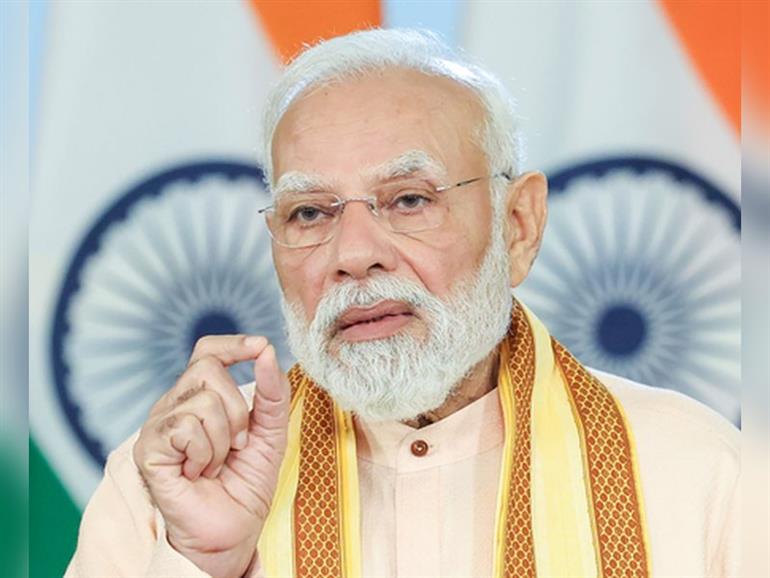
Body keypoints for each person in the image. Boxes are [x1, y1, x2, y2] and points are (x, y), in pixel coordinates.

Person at [65, 29, 739, 578]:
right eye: (309, 212)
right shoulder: (173, 483)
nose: (354, 254)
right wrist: (201, 561)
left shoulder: (699, 469)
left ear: (518, 226)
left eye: (409, 200)